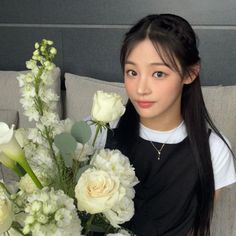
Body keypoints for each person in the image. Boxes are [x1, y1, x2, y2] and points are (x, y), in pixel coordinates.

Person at [101, 14, 236, 236]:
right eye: (132, 72)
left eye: (158, 73)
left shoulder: (213, 150)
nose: (141, 88)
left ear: (190, 73)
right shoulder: (99, 132)